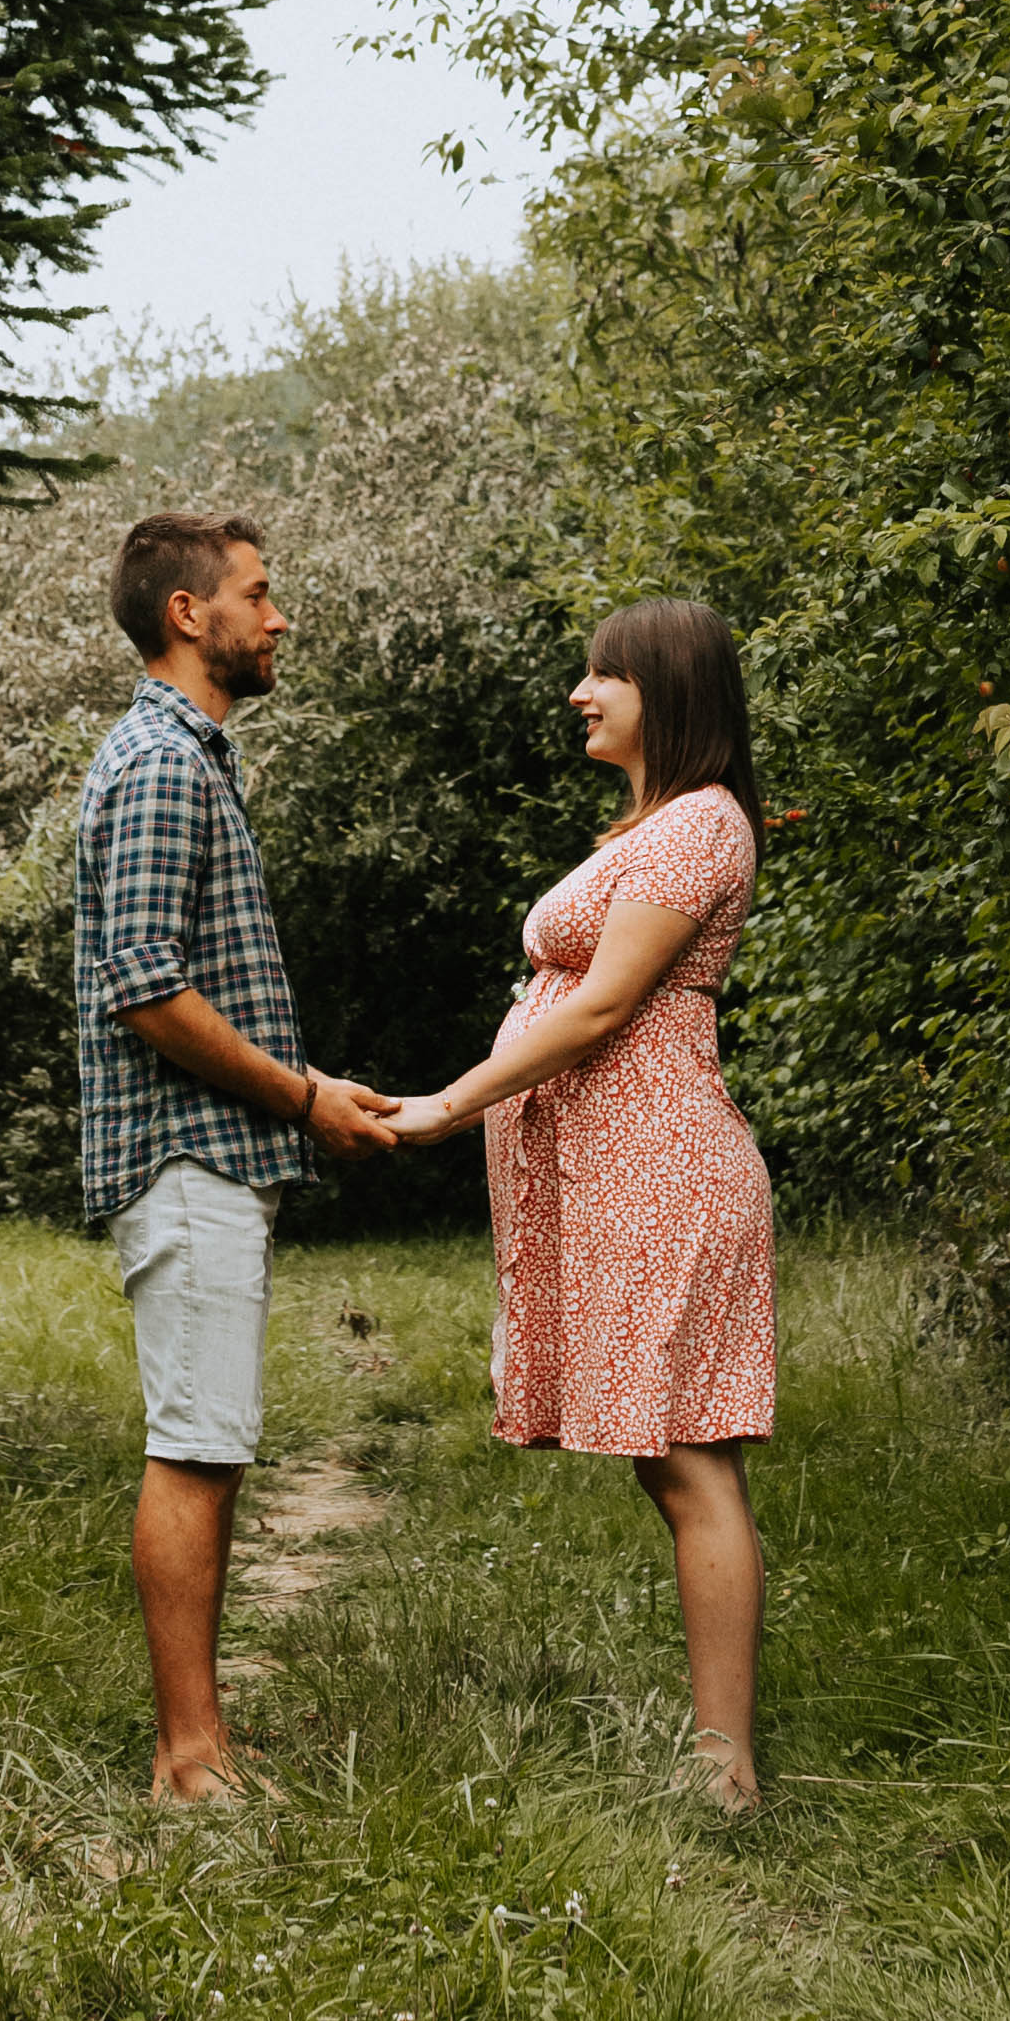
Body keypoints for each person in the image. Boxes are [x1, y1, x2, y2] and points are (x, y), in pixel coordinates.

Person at [391, 596, 775, 1809]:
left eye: (604, 672)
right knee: (673, 1460)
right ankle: (722, 1756)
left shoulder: (700, 824)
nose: (580, 691)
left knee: (689, 1461)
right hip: (622, 1175)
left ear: (668, 685)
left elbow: (605, 1007)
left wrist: (449, 1102)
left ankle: (726, 1767)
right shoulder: (649, 826)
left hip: (664, 1169)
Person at [73, 507, 397, 1801]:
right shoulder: (158, 761)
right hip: (185, 1153)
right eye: (259, 594)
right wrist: (304, 1097)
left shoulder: (189, 757)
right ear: (186, 615)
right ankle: (188, 1757)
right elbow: (147, 989)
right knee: (195, 1443)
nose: (281, 615)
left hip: (210, 1156)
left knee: (210, 1439)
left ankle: (194, 1736)